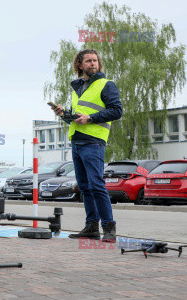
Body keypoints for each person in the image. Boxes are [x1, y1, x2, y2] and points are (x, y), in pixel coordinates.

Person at [51, 49, 122, 242]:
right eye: (89, 61)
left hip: (94, 142)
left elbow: (117, 111)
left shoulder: (107, 85)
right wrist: (64, 114)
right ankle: (92, 227)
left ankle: (109, 228)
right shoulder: (78, 89)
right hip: (77, 142)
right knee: (84, 186)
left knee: (97, 184)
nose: (93, 63)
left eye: (95, 60)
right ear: (80, 65)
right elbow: (77, 118)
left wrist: (90, 118)